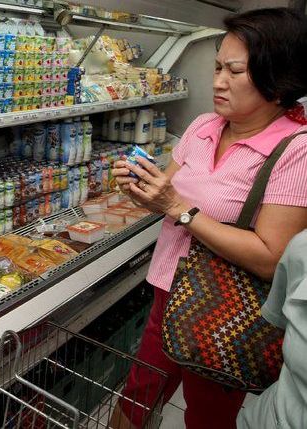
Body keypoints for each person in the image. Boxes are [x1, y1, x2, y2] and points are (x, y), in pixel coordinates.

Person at [109, 8, 307, 429]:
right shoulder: (204, 127)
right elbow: (169, 199)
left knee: (208, 416)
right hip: (168, 290)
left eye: (234, 71)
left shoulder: (296, 151)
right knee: (138, 395)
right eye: (217, 67)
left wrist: (178, 208)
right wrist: (143, 188)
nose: (217, 81)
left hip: (226, 310)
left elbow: (272, 256)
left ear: (277, 78)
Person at [236, 230, 307, 428]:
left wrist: (180, 211)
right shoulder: (302, 248)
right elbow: (278, 320)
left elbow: (269, 259)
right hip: (267, 417)